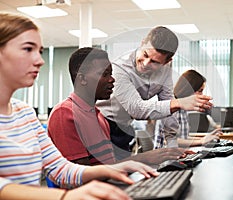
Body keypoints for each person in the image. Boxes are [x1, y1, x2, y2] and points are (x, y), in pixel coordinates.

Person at [0, 12, 158, 200]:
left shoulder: (24, 113)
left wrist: (114, 168)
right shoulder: (64, 113)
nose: (40, 60)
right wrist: (64, 197)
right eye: (28, 49)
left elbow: (59, 168)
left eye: (40, 52)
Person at [48, 47, 188, 165]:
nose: (112, 79)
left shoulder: (98, 116)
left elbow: (110, 166)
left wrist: (152, 156)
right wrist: (143, 159)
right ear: (82, 79)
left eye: (111, 73)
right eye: (104, 74)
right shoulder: (64, 114)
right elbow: (80, 178)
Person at [97, 26, 213, 159]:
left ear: (167, 62)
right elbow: (137, 109)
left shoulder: (165, 70)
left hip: (124, 126)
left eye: (154, 62)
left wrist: (173, 146)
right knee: (111, 171)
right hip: (102, 124)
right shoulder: (120, 69)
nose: (146, 63)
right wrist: (180, 102)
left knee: (123, 172)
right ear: (142, 43)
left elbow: (167, 104)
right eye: (145, 55)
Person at [154, 69, 222, 148]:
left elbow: (183, 138)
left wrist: (205, 138)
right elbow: (169, 141)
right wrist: (201, 141)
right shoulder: (171, 106)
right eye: (200, 91)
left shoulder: (183, 108)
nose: (201, 94)